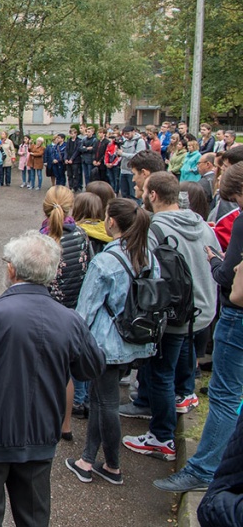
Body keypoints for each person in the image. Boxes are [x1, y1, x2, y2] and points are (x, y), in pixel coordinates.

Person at [0, 231, 104, 527]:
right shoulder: (69, 320)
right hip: (40, 434)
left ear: (12, 270)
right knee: (35, 516)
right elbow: (92, 366)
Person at [155, 163, 243, 493]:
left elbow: (228, 278)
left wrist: (216, 262)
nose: (234, 205)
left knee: (224, 397)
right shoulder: (205, 224)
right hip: (210, 314)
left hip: (235, 317)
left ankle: (204, 469)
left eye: (234, 197)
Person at [120, 172, 219, 461]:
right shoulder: (199, 222)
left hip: (176, 313)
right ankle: (184, 393)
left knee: (161, 371)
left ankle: (161, 437)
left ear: (153, 195)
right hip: (202, 309)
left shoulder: (154, 229)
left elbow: (144, 271)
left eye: (143, 190)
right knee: (183, 352)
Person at [68, 198, 158, 486]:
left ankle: (113, 465)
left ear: (113, 222)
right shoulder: (147, 255)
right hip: (135, 340)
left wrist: (74, 345)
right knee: (99, 399)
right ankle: (86, 459)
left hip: (106, 344)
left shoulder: (105, 261)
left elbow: (85, 310)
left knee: (106, 403)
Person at [40, 186, 90, 442]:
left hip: (45, 311)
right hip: (73, 311)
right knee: (65, 371)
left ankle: (40, 420)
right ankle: (65, 425)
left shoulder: (41, 239)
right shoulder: (82, 235)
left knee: (41, 369)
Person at [117, 126, 147, 198]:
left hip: (133, 172)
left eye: (127, 133)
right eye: (124, 134)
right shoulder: (124, 141)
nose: (126, 135)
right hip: (123, 170)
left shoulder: (139, 141)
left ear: (133, 132)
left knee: (134, 194)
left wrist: (123, 154)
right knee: (124, 193)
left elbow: (138, 155)